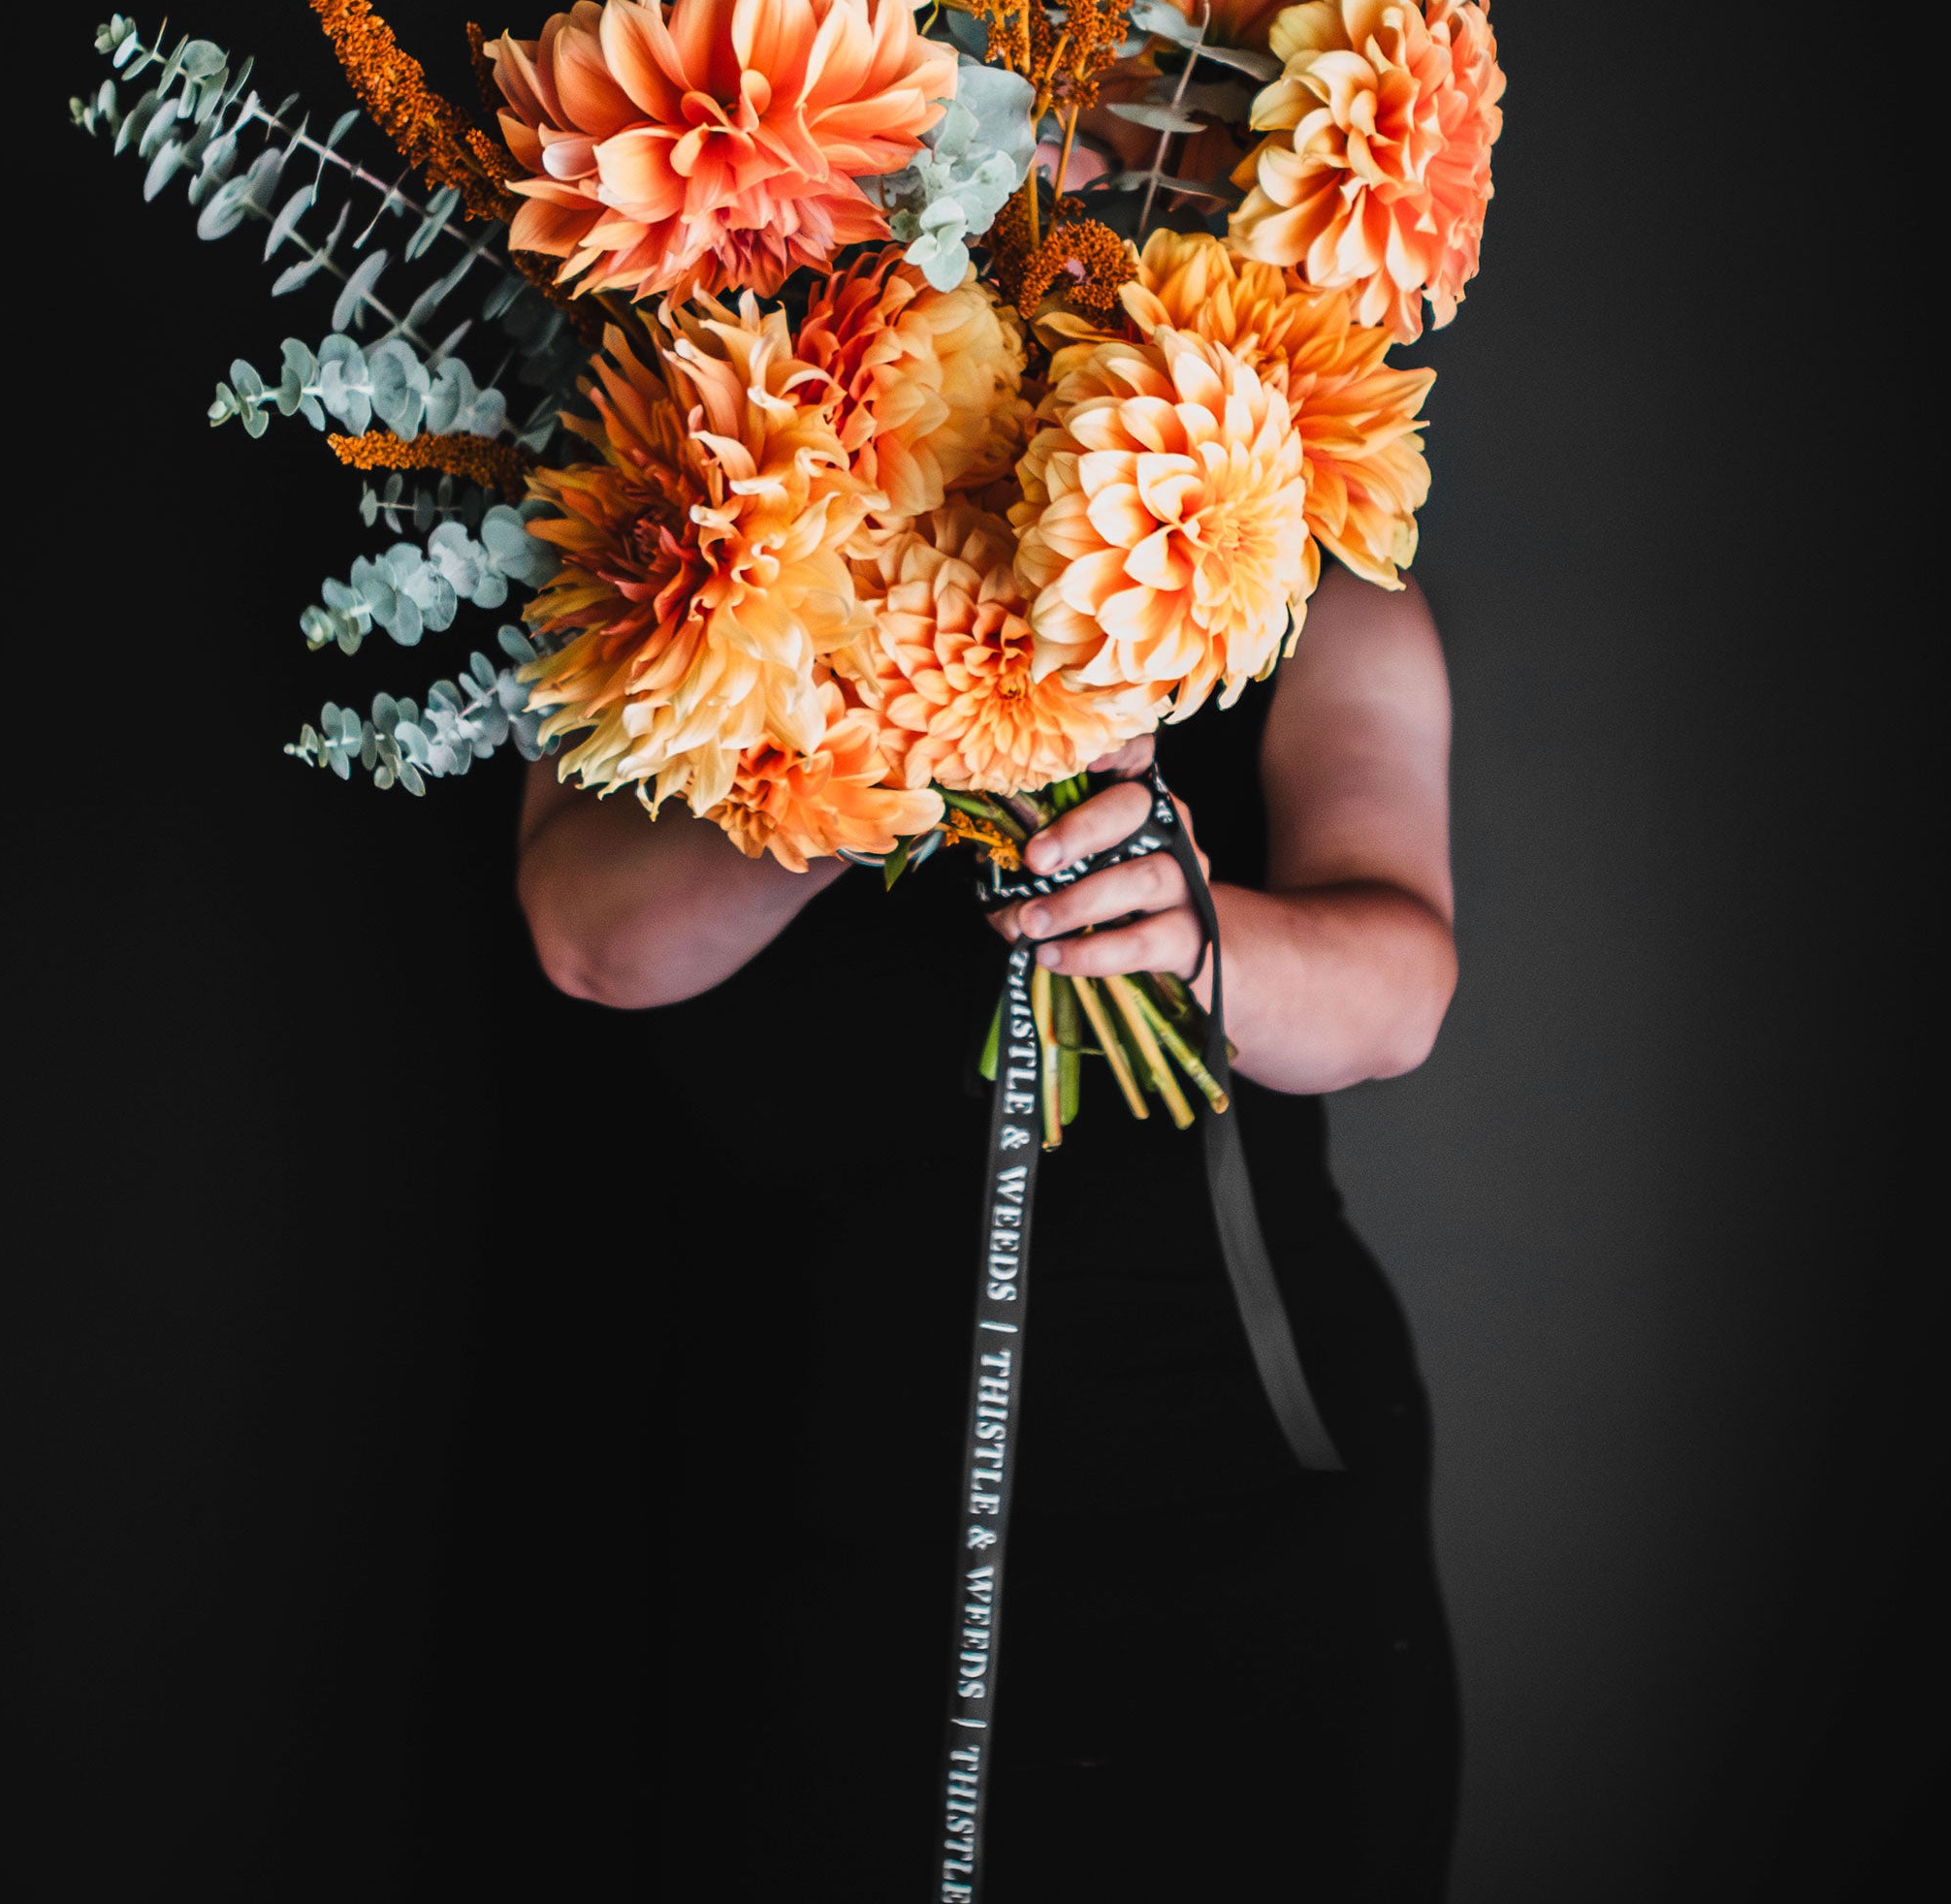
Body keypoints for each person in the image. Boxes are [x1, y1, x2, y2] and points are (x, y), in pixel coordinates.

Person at [515, 569, 1462, 1899]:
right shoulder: (682, 535)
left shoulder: (1301, 564)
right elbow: (590, 936)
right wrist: (890, 739)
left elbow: (1395, 997)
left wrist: (1193, 935)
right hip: (803, 1489)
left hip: (1229, 1479)